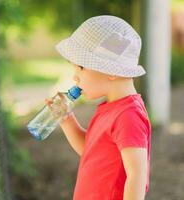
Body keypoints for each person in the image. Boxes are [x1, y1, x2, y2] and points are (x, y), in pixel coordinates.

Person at [45, 15, 151, 200]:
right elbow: (90, 150)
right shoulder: (111, 108)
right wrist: (67, 120)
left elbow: (137, 175)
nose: (75, 77)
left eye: (80, 68)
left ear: (110, 70)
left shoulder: (128, 115)